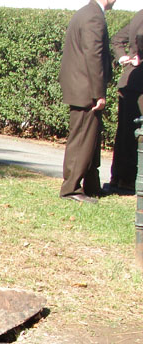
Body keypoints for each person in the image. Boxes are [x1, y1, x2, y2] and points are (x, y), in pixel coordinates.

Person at [59, 0, 116, 204]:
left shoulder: (86, 12)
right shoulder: (94, 16)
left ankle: (91, 185)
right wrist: (98, 92)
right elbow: (94, 56)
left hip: (81, 87)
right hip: (86, 90)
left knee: (90, 139)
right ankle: (71, 188)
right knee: (82, 138)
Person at [105, 10, 143, 195]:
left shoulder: (139, 15)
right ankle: (127, 180)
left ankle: (119, 178)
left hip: (129, 81)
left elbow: (117, 39)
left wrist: (123, 57)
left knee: (125, 132)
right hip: (139, 83)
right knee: (134, 134)